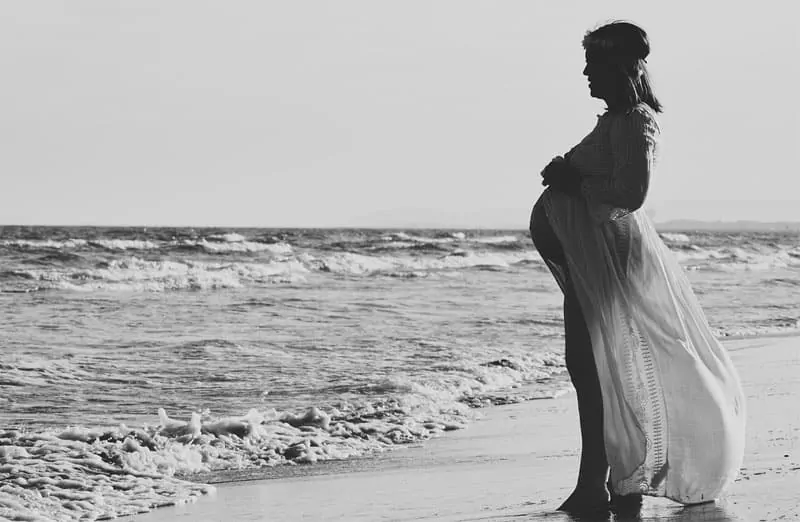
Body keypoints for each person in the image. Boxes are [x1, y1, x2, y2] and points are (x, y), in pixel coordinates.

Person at [529, 21, 746, 515]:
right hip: (590, 264)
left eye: (594, 64)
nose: (585, 72)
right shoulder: (614, 120)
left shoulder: (635, 121)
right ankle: (602, 483)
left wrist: (569, 180)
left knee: (594, 370)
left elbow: (631, 195)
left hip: (606, 263)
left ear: (621, 68)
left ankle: (603, 485)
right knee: (589, 369)